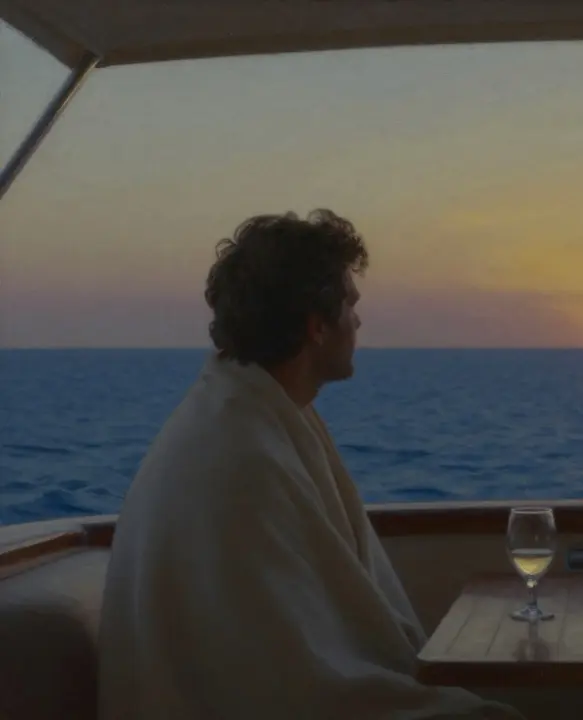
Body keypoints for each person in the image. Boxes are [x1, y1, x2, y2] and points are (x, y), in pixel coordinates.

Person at [98, 210, 525, 720]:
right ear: (316, 325)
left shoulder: (246, 417)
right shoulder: (242, 460)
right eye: (350, 303)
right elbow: (296, 686)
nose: (359, 320)